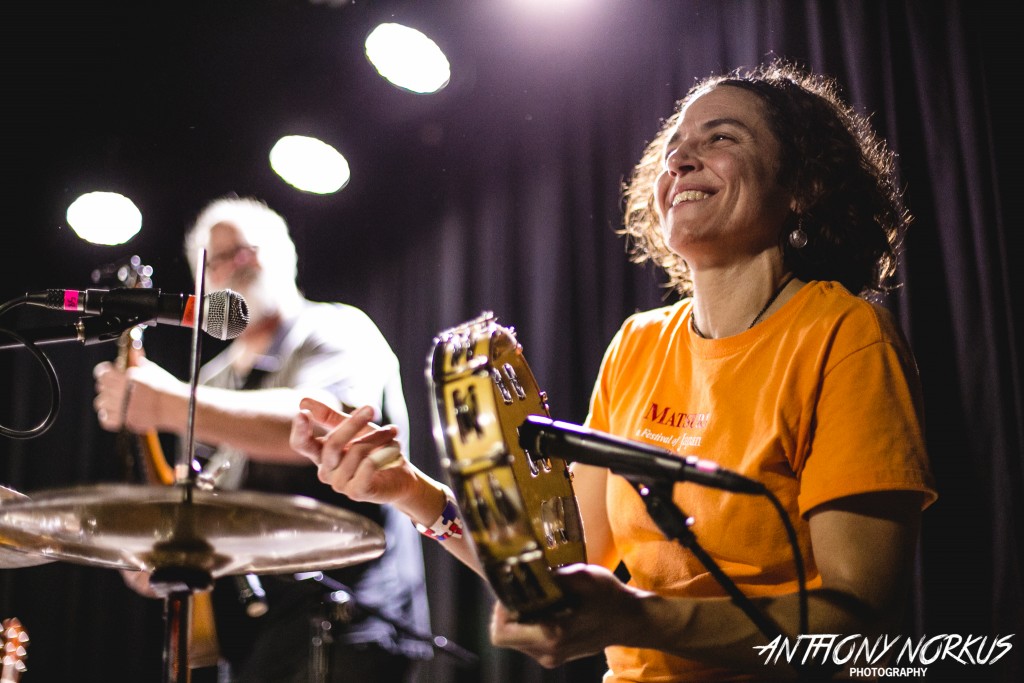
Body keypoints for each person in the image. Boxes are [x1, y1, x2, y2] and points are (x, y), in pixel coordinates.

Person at [288, 59, 937, 681]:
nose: (679, 158)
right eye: (675, 145)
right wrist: (407, 490)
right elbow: (558, 568)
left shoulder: (844, 334)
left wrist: (640, 617)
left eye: (720, 138)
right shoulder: (637, 345)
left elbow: (859, 626)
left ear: (804, 186)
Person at [92, 196, 432, 683]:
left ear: (288, 255)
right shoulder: (210, 379)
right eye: (223, 257)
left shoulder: (338, 327)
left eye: (251, 248)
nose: (241, 262)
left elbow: (323, 424)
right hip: (252, 637)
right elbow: (203, 501)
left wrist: (170, 403)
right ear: (202, 285)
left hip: (347, 625)